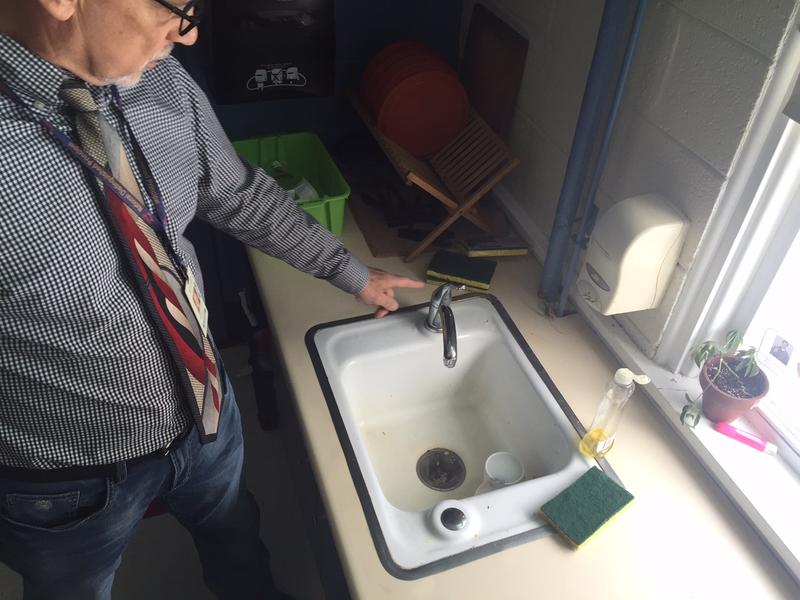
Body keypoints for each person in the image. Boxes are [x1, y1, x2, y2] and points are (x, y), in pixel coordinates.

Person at [0, 1, 424, 598]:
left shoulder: (165, 82)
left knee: (237, 542)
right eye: (175, 6)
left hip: (209, 417)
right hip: (66, 476)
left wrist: (351, 273)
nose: (191, 32)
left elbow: (240, 195)